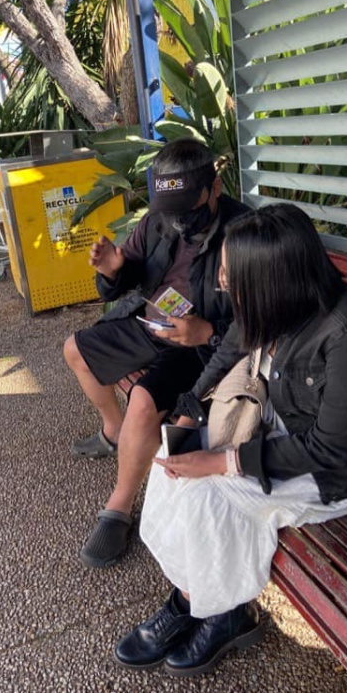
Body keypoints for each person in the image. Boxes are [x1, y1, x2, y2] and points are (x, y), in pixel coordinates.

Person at [114, 203, 347, 677]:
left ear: (270, 278)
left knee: (210, 492)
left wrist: (223, 462)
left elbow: (330, 450)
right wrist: (190, 412)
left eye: (230, 276)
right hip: (287, 422)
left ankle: (225, 612)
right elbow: (229, 351)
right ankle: (194, 597)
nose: (222, 284)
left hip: (341, 470)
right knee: (174, 460)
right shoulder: (278, 303)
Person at [63, 138, 249, 568]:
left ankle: (119, 507)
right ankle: (114, 431)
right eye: (170, 209)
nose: (179, 219)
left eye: (188, 207)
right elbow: (127, 273)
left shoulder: (244, 233)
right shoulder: (158, 220)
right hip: (150, 322)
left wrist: (208, 332)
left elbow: (259, 319)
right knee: (75, 349)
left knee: (144, 401)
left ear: (215, 188)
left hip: (197, 344)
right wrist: (114, 271)